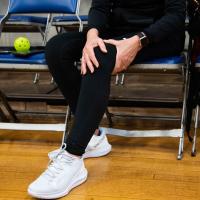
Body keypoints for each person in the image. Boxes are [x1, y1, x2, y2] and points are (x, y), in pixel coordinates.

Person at [28, 0, 186, 199]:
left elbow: (176, 16)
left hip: (157, 36)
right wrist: (92, 36)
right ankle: (93, 137)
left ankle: (73, 155)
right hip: (115, 33)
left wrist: (139, 40)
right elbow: (99, 7)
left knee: (99, 55)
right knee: (57, 49)